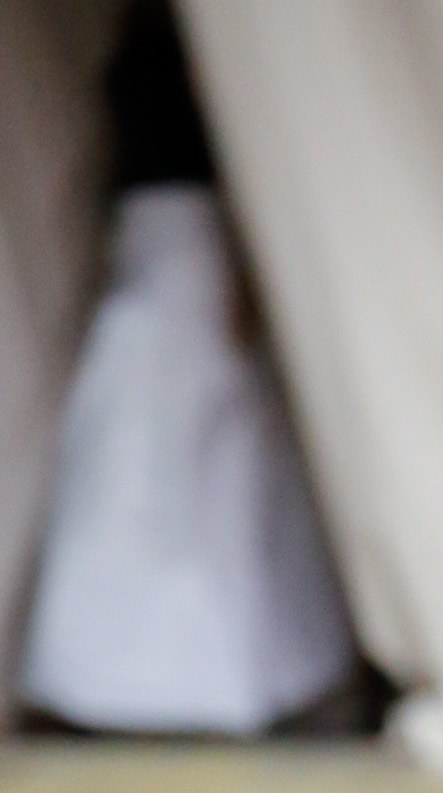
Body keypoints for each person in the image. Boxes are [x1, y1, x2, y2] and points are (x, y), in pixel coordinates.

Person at [17, 0, 352, 736]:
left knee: (210, 467)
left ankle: (218, 673)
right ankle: (117, 679)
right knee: (137, 467)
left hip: (195, 253)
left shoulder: (218, 77)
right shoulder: (126, 66)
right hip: (145, 258)